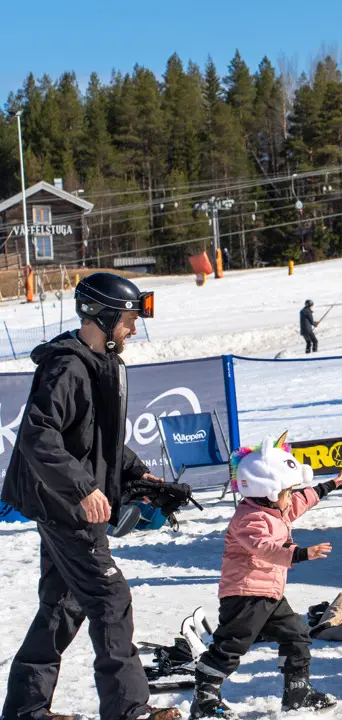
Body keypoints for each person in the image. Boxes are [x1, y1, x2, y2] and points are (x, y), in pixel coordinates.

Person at [0, 273, 180, 720]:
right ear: (101, 314)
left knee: (63, 607)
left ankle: (25, 709)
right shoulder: (67, 367)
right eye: (129, 317)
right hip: (65, 507)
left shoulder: (101, 362)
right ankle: (128, 711)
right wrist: (82, 488)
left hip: (71, 503)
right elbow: (39, 436)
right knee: (110, 598)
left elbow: (98, 439)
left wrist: (136, 471)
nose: (134, 327)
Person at [191, 436, 342, 719]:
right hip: (244, 594)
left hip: (269, 594)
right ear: (271, 491)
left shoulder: (274, 509)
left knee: (297, 634)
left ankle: (297, 693)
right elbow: (265, 548)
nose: (291, 496)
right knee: (231, 645)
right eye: (287, 490)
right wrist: (299, 553)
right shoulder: (249, 519)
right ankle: (205, 699)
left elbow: (299, 502)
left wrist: (328, 485)